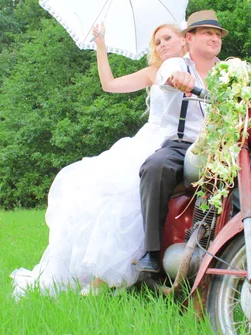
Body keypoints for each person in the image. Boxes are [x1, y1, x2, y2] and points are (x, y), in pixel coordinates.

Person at [10, 23, 186, 298]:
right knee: (119, 199)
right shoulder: (158, 71)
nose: (162, 44)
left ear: (184, 40)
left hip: (179, 143)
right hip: (151, 141)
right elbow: (109, 85)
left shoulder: (194, 69)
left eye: (167, 38)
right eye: (157, 41)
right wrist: (100, 45)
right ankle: (104, 277)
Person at [137, 10, 229, 273]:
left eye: (217, 34)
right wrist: (179, 80)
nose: (214, 38)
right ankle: (151, 254)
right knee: (155, 166)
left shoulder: (228, 72)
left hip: (219, 148)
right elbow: (167, 78)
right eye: (207, 33)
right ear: (190, 37)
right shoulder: (177, 64)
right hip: (183, 145)